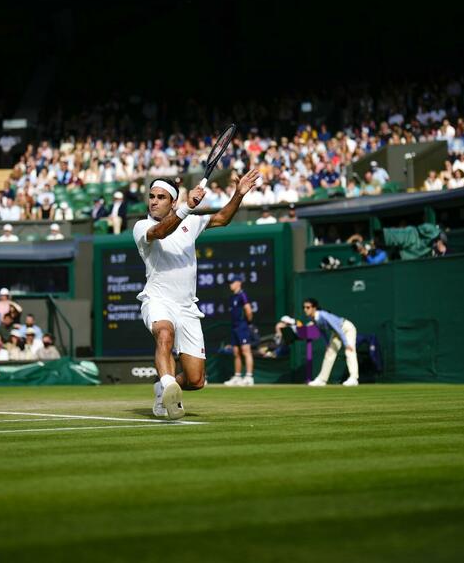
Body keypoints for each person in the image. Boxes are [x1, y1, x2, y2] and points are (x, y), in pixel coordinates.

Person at [133, 169, 261, 420]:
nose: (154, 201)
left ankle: (163, 388)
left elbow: (223, 218)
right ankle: (168, 380)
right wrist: (187, 208)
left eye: (161, 197)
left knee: (196, 380)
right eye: (152, 196)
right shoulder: (142, 227)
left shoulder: (190, 223)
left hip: (188, 308)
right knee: (164, 333)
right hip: (157, 300)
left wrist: (238, 194)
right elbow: (161, 233)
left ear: (172, 202)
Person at [280, 298, 359, 386]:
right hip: (336, 332)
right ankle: (322, 380)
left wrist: (346, 343)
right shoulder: (314, 319)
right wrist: (327, 344)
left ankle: (353, 378)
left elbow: (336, 326)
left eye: (308, 307)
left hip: (347, 328)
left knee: (349, 351)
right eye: (304, 307)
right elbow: (322, 331)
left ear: (314, 308)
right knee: (329, 354)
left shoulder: (323, 315)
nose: (305, 309)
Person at [224, 280, 256, 386]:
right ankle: (237, 377)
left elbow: (248, 310)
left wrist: (248, 322)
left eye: (232, 282)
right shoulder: (233, 297)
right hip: (234, 327)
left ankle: (249, 377)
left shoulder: (243, 295)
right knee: (236, 352)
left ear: (239, 283)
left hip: (242, 326)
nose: (230, 284)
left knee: (246, 351)